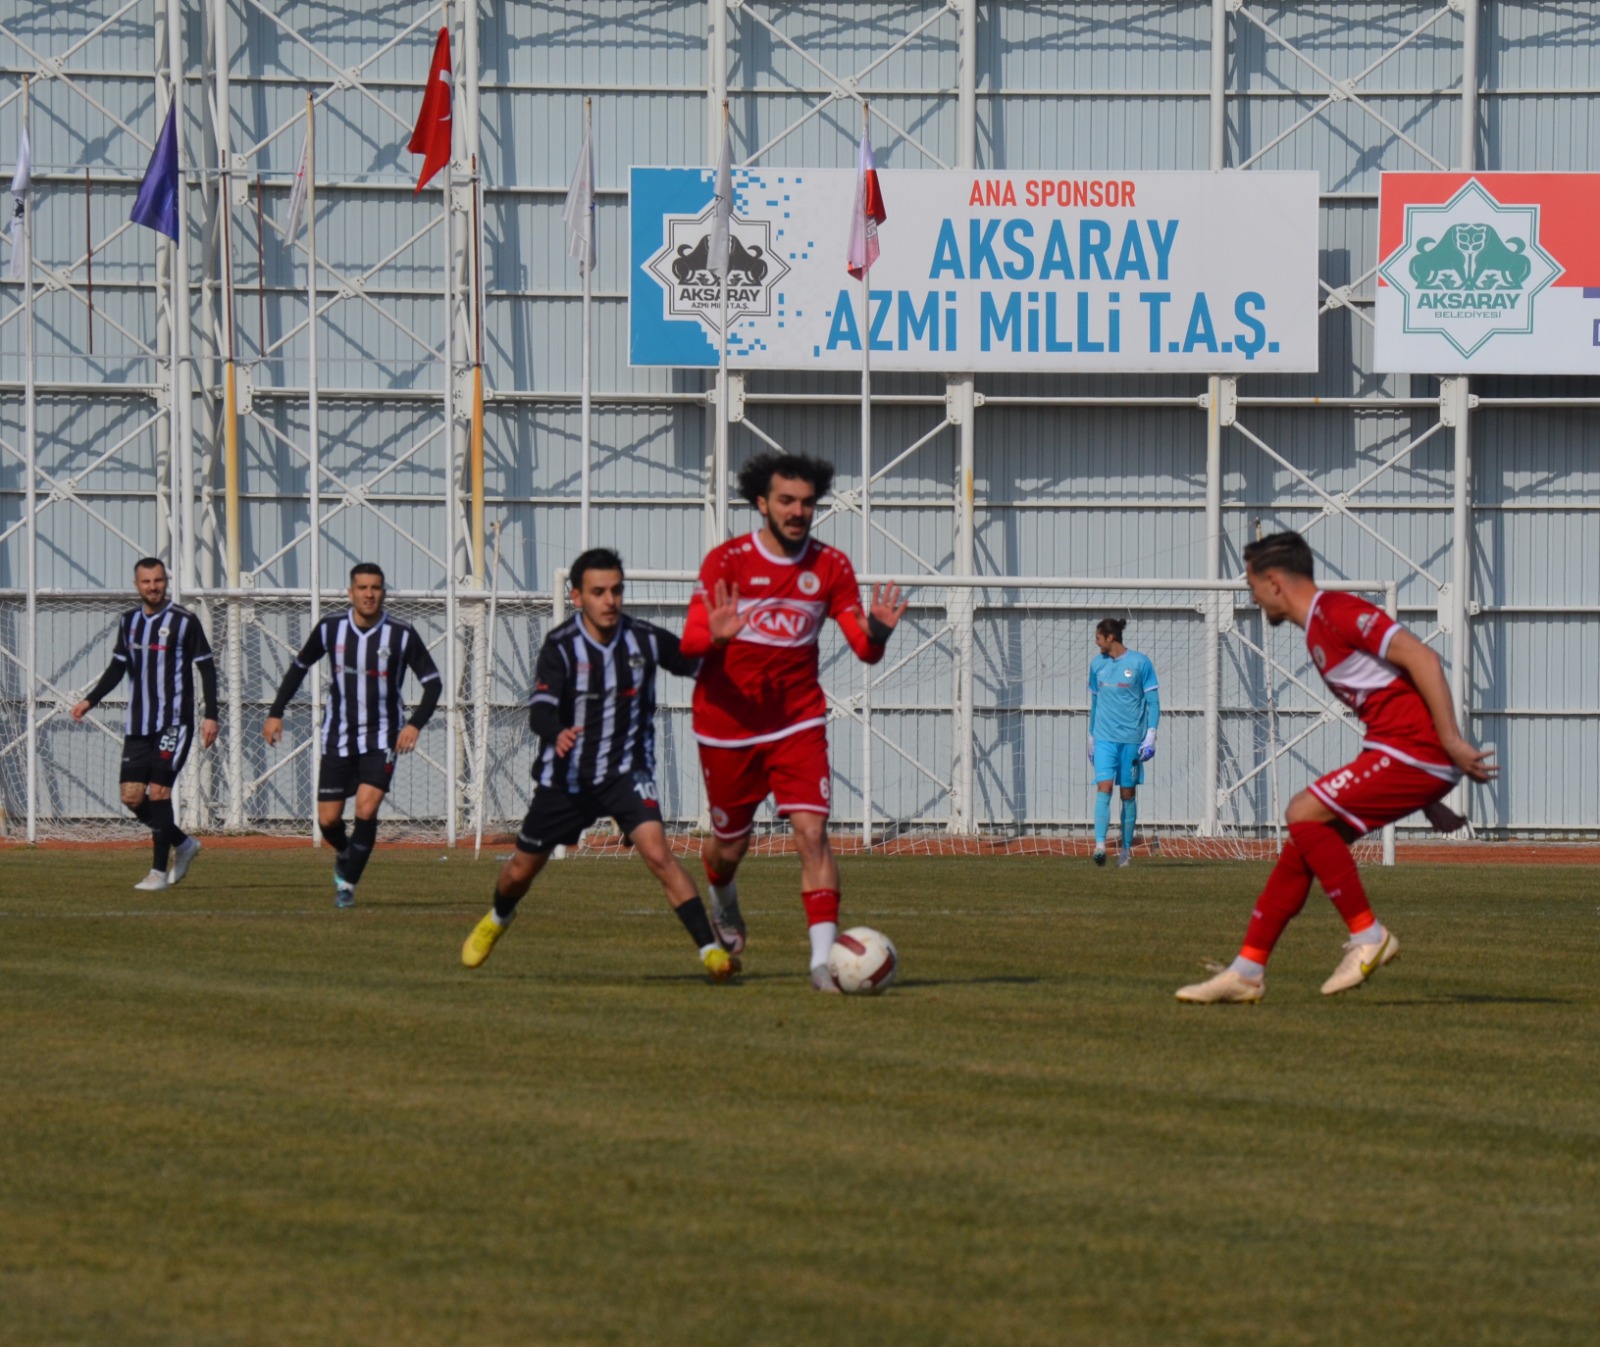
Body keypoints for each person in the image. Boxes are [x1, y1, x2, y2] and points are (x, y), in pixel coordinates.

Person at [1176, 531, 1497, 1004]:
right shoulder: (1316, 628)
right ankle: (1247, 970)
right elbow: (1398, 688)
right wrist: (1429, 799)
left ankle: (1369, 936)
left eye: (1252, 586)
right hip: (1404, 754)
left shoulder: (1337, 612)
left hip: (1414, 750)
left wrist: (1449, 743)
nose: (1252, 598)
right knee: (1303, 846)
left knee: (1301, 811)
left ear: (1274, 582)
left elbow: (1422, 657)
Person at [679, 451, 907, 992]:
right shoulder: (726, 562)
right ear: (761, 503)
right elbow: (689, 644)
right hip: (727, 725)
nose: (797, 511)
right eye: (786, 500)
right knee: (728, 848)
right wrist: (716, 636)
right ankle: (723, 901)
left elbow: (863, 651)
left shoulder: (831, 566)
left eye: (806, 502)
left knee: (812, 833)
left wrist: (877, 633)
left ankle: (822, 965)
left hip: (797, 723)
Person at [460, 549, 738, 981]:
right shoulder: (561, 646)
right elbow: (540, 711)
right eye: (598, 592)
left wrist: (717, 642)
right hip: (567, 778)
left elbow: (691, 664)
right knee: (519, 871)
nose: (610, 600)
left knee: (659, 854)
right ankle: (498, 918)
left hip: (627, 772)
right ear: (577, 597)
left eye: (616, 590)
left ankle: (711, 953)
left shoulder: (644, 638)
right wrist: (557, 732)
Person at [262, 563, 441, 908]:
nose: (369, 594)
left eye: (375, 588)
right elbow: (299, 668)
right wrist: (275, 712)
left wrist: (414, 724)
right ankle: (345, 852)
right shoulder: (331, 628)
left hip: (383, 737)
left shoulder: (402, 634)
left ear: (383, 592)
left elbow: (433, 683)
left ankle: (347, 884)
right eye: (362, 588)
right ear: (351, 592)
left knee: (366, 807)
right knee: (328, 820)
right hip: (338, 736)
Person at [71, 557, 219, 891]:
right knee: (132, 797)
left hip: (173, 723)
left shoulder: (184, 621)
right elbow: (117, 667)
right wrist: (89, 700)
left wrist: (211, 714)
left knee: (159, 791)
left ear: (165, 581)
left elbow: (206, 668)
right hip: (139, 725)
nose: (153, 587)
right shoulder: (129, 622)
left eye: (158, 580)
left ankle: (158, 872)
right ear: (137, 585)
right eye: (147, 582)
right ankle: (183, 843)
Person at [1086, 617, 1160, 867]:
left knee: (1127, 794)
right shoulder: (1097, 665)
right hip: (1104, 738)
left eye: (1098, 637)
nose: (1096, 642)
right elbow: (1095, 703)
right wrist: (1091, 736)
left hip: (1130, 741)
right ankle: (1099, 846)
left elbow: (1153, 702)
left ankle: (1125, 851)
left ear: (1111, 638)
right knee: (1104, 787)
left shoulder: (1140, 663)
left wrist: (1151, 734)